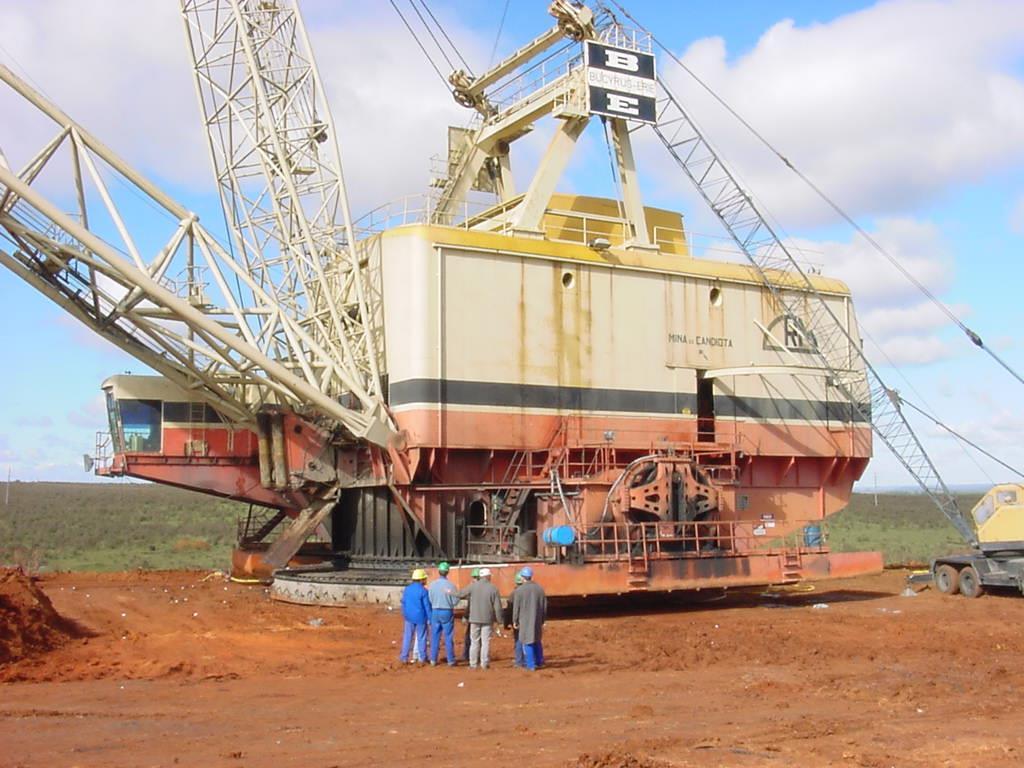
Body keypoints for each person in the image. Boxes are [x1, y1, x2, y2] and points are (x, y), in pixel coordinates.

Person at [456, 567, 503, 669]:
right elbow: (498, 607)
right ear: (488, 576)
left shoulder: (473, 586)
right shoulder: (493, 588)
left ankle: (473, 664)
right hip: (487, 619)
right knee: (485, 642)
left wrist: (449, 592)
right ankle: (484, 663)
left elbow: (460, 594)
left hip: (474, 619)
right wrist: (500, 621)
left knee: (474, 642)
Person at [512, 565, 546, 671]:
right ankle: (540, 661)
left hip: (525, 620)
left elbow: (516, 608)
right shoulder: (540, 589)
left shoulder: (519, 591)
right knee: (537, 640)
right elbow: (544, 606)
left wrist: (515, 620)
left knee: (527, 642)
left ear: (522, 577)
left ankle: (530, 665)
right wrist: (542, 620)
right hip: (537, 619)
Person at [427, 561, 459, 666]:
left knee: (435, 636)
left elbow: (430, 599)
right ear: (447, 572)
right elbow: (455, 601)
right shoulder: (451, 586)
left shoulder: (432, 585)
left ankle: (433, 659)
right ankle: (450, 660)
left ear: (439, 572)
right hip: (447, 611)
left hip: (435, 611)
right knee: (448, 636)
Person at [399, 568, 431, 665]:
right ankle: (422, 658)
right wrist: (430, 619)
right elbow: (427, 607)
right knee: (421, 637)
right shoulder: (424, 591)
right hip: (420, 618)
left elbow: (403, 603)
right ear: (421, 579)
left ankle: (404, 657)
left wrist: (404, 614)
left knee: (407, 637)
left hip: (408, 617)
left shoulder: (407, 589)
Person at [504, 571, 526, 668]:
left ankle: (519, 661)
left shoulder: (514, 594)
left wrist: (507, 622)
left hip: (518, 620)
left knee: (518, 640)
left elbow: (509, 609)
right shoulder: (529, 591)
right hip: (528, 620)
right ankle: (528, 659)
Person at [460, 567, 480, 662]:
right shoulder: (487, 587)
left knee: (470, 637)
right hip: (482, 616)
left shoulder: (471, 588)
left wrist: (465, 616)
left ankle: (468, 656)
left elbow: (469, 604)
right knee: (481, 638)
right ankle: (479, 656)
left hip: (473, 616)